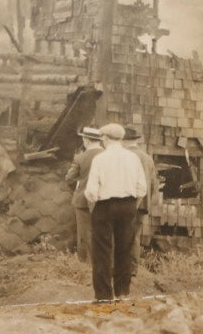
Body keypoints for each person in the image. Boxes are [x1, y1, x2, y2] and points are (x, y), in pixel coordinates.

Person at [84, 123, 147, 301]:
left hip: (104, 206)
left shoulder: (100, 159)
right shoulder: (133, 158)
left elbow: (91, 191)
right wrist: (132, 205)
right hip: (128, 205)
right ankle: (122, 293)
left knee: (102, 251)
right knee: (124, 249)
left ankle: (103, 296)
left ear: (104, 139)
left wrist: (94, 207)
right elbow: (142, 188)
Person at [64, 127, 104, 263]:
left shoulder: (80, 158)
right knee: (102, 233)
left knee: (84, 234)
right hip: (104, 200)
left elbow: (69, 178)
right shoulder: (107, 156)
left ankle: (84, 264)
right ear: (99, 140)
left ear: (86, 140)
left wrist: (79, 184)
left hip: (83, 200)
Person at [122, 126, 157, 276]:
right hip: (143, 204)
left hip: (125, 201)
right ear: (136, 140)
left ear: (123, 141)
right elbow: (154, 185)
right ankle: (132, 269)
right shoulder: (147, 158)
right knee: (134, 236)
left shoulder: (123, 156)